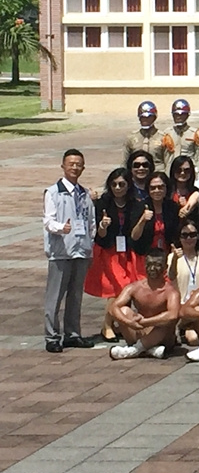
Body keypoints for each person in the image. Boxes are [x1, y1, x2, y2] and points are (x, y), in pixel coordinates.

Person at [44, 149, 98, 353]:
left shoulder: (84, 194)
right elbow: (48, 220)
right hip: (61, 251)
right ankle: (51, 336)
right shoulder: (53, 192)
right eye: (71, 164)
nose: (75, 167)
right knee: (55, 296)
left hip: (81, 251)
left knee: (76, 295)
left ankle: (72, 333)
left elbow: (90, 221)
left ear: (83, 168)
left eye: (78, 164)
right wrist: (61, 228)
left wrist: (89, 244)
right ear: (63, 166)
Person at [84, 168, 142, 341]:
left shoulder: (135, 204)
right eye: (114, 184)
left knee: (126, 288)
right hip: (108, 251)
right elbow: (99, 234)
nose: (118, 188)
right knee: (119, 288)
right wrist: (103, 226)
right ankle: (108, 325)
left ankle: (112, 323)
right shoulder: (103, 203)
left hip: (127, 252)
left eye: (122, 184)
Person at [107, 248, 179, 360]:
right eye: (149, 264)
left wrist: (146, 322)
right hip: (139, 330)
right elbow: (113, 307)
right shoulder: (134, 287)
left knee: (166, 321)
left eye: (157, 265)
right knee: (123, 311)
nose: (152, 268)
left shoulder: (170, 291)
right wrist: (129, 322)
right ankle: (146, 349)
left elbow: (173, 315)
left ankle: (134, 350)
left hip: (162, 337)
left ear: (165, 267)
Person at [167, 219, 199, 321]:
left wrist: (196, 299)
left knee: (192, 336)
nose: (189, 238)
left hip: (197, 303)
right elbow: (171, 276)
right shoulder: (172, 257)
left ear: (198, 236)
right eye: (184, 235)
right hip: (179, 305)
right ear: (179, 238)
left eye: (192, 235)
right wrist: (175, 259)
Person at [123, 101, 175, 171]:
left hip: (158, 176)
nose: (145, 120)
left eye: (148, 117)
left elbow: (169, 163)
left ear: (154, 118)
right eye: (143, 117)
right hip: (138, 175)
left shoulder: (164, 138)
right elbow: (125, 162)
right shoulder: (131, 138)